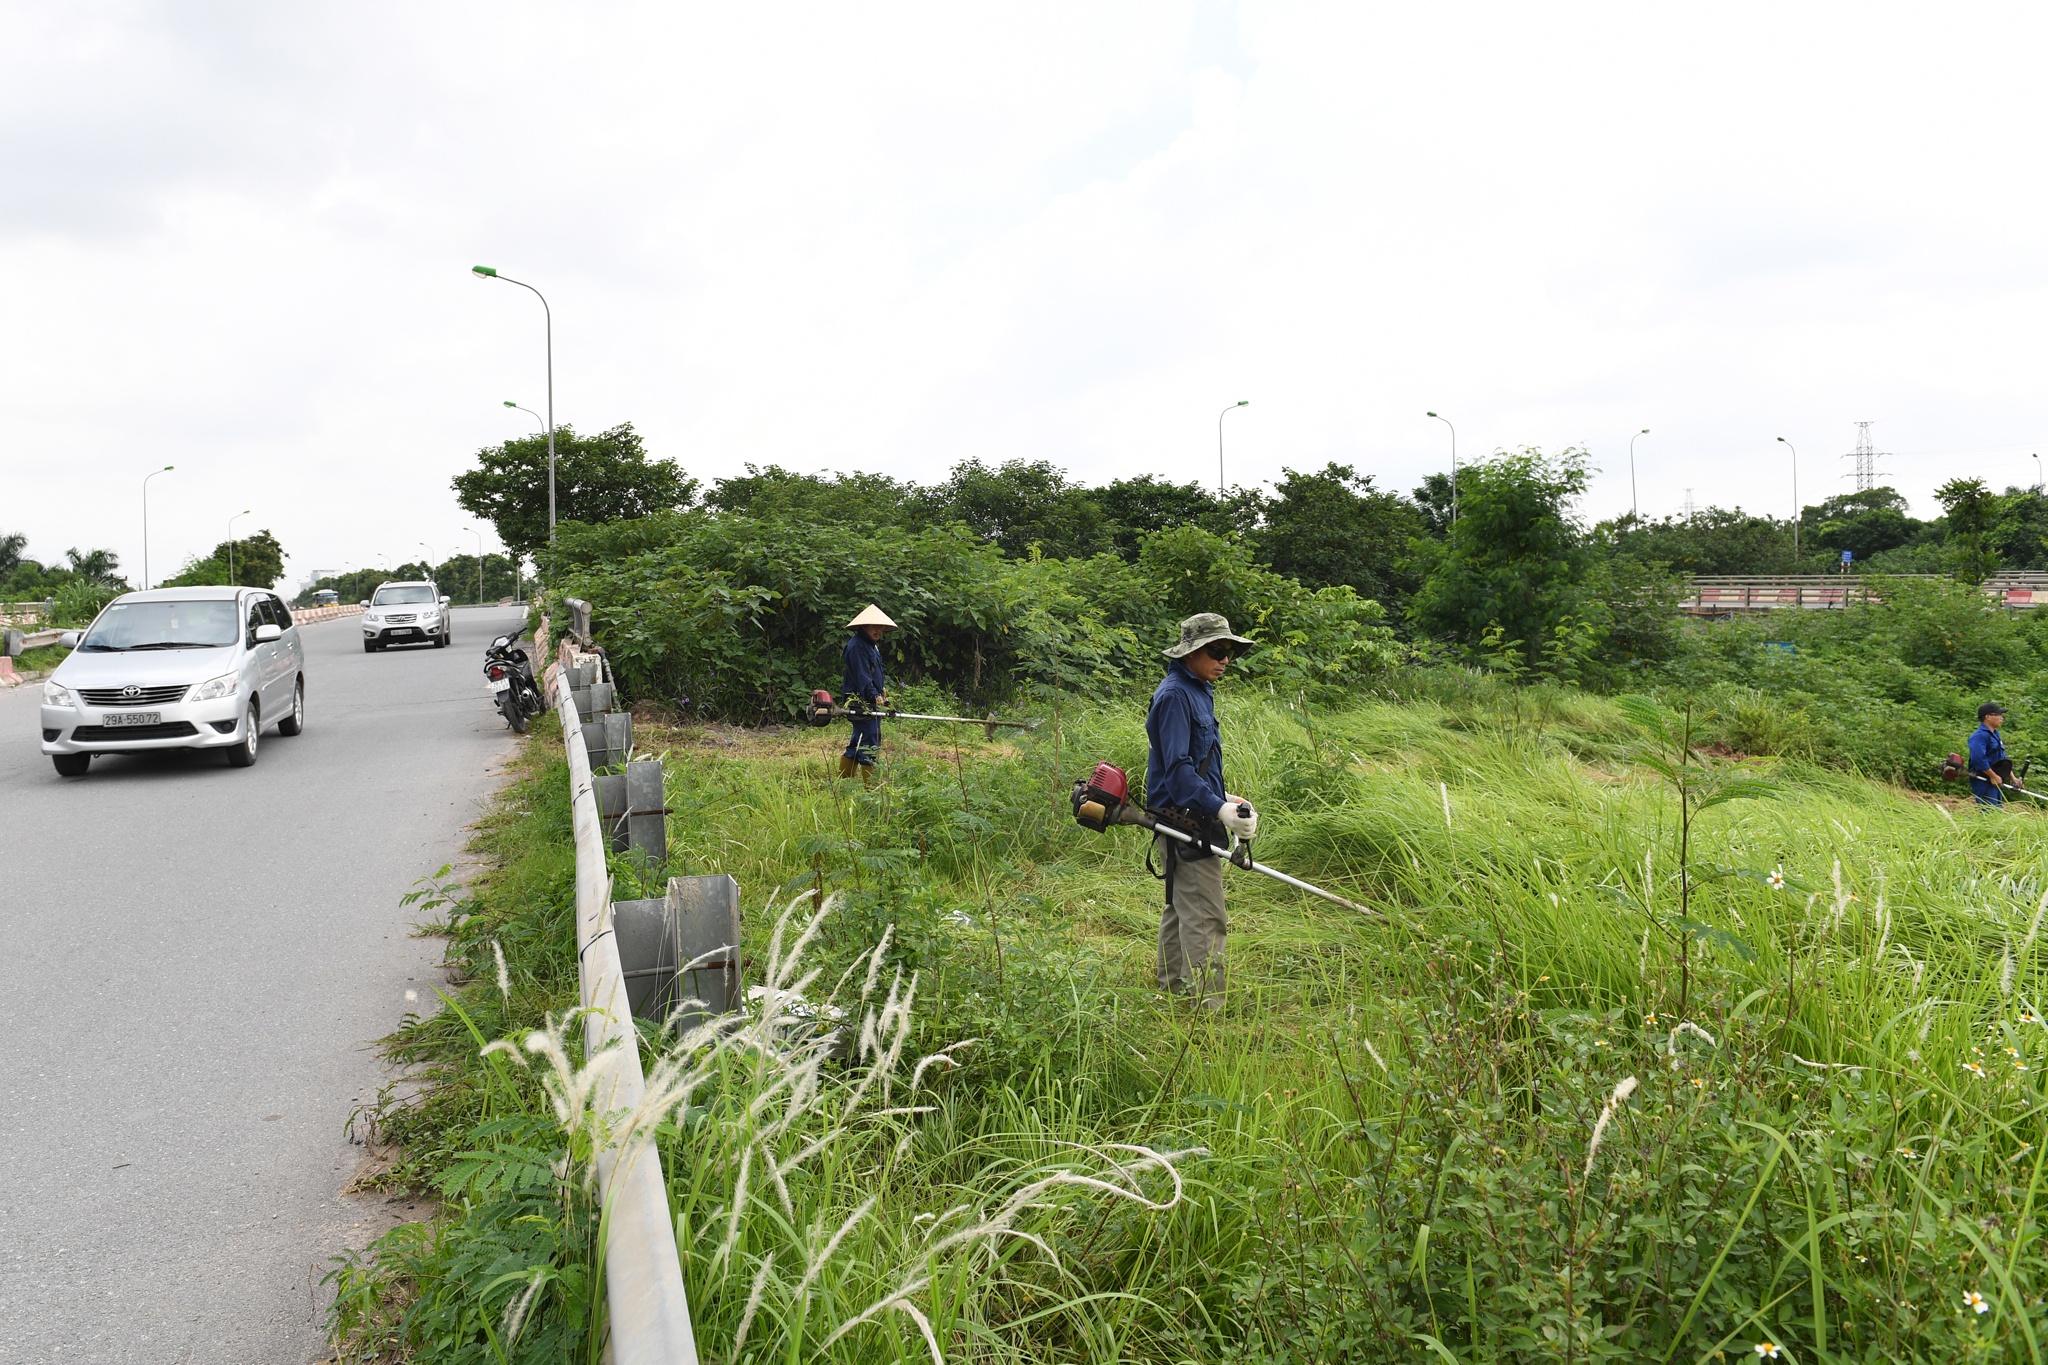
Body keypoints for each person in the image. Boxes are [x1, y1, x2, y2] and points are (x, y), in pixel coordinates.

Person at [1144, 612, 1259, 1008]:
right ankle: (1206, 1011)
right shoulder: (1176, 696)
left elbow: (1195, 764)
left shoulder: (1199, 688)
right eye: (1216, 651)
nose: (1225, 660)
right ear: (1191, 652)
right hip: (1183, 819)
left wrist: (1224, 798)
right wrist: (1217, 808)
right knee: (1207, 915)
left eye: (1230, 653)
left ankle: (1173, 990)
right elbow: (1177, 772)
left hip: (1194, 810)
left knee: (1181, 907)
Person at [840, 604, 895, 781]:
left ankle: (845, 780)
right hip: (859, 701)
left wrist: (881, 690)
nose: (878, 631)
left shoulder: (871, 646)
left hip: (869, 699)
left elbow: (874, 671)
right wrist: (874, 695)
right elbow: (862, 676)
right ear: (864, 626)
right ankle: (871, 787)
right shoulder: (857, 646)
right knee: (871, 739)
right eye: (874, 627)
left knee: (859, 739)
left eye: (881, 627)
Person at [1968, 702, 2009, 807]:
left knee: (1997, 812)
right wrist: (1993, 776)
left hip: (1996, 779)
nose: (2001, 718)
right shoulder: (1979, 736)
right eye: (1998, 715)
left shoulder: (1996, 734)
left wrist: (2014, 779)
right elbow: (1978, 759)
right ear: (1988, 717)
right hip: (1984, 780)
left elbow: (2002, 759)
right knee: (1989, 811)